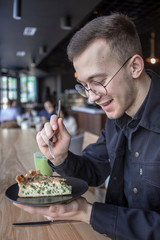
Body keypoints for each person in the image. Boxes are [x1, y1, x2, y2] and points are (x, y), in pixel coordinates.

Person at [13, 13, 160, 239]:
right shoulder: (116, 119)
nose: (91, 98)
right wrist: (61, 157)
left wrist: (86, 212)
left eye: (98, 82)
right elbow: (93, 171)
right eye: (84, 86)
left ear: (135, 67)